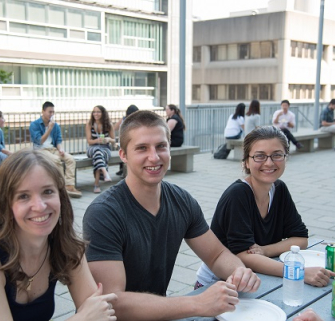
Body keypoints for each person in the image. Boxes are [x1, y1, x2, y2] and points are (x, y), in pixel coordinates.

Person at [83, 110, 261, 321]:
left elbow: (216, 255)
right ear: (123, 155)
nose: (154, 157)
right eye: (142, 148)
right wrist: (197, 303)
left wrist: (239, 271)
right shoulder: (103, 213)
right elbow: (112, 303)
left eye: (161, 146)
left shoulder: (181, 200)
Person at [0, 149, 117, 321]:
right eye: (24, 196)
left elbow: (99, 312)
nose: (39, 206)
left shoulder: (66, 247)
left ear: (61, 197)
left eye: (47, 192)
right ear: (7, 204)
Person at [196, 126, 335, 289]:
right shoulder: (238, 194)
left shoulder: (279, 189)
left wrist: (264, 250)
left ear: (285, 158)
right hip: (218, 284)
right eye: (260, 156)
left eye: (277, 155)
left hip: (258, 278)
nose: (269, 163)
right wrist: (299, 272)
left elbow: (301, 239)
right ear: (247, 161)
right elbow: (243, 256)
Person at [29, 101, 81, 198]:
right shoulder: (34, 125)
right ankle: (61, 187)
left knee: (70, 159)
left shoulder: (55, 125)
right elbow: (39, 141)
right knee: (56, 161)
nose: (51, 114)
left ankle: (69, 185)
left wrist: (60, 149)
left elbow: (58, 140)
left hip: (53, 149)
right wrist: (49, 129)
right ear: (43, 111)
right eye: (49, 112)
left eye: (53, 112)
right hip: (40, 151)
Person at [86, 105, 116, 194]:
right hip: (92, 148)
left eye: (98, 112)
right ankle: (105, 172)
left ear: (103, 113)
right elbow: (89, 141)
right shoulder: (89, 124)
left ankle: (96, 184)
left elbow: (114, 141)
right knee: (97, 152)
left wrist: (108, 139)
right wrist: (97, 140)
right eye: (94, 112)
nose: (96, 114)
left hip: (105, 148)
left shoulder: (108, 124)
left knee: (98, 155)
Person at [113, 104, 139, 177]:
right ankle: (124, 171)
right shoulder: (137, 120)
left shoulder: (124, 119)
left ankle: (122, 169)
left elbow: (115, 127)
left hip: (123, 141)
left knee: (123, 152)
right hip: (131, 141)